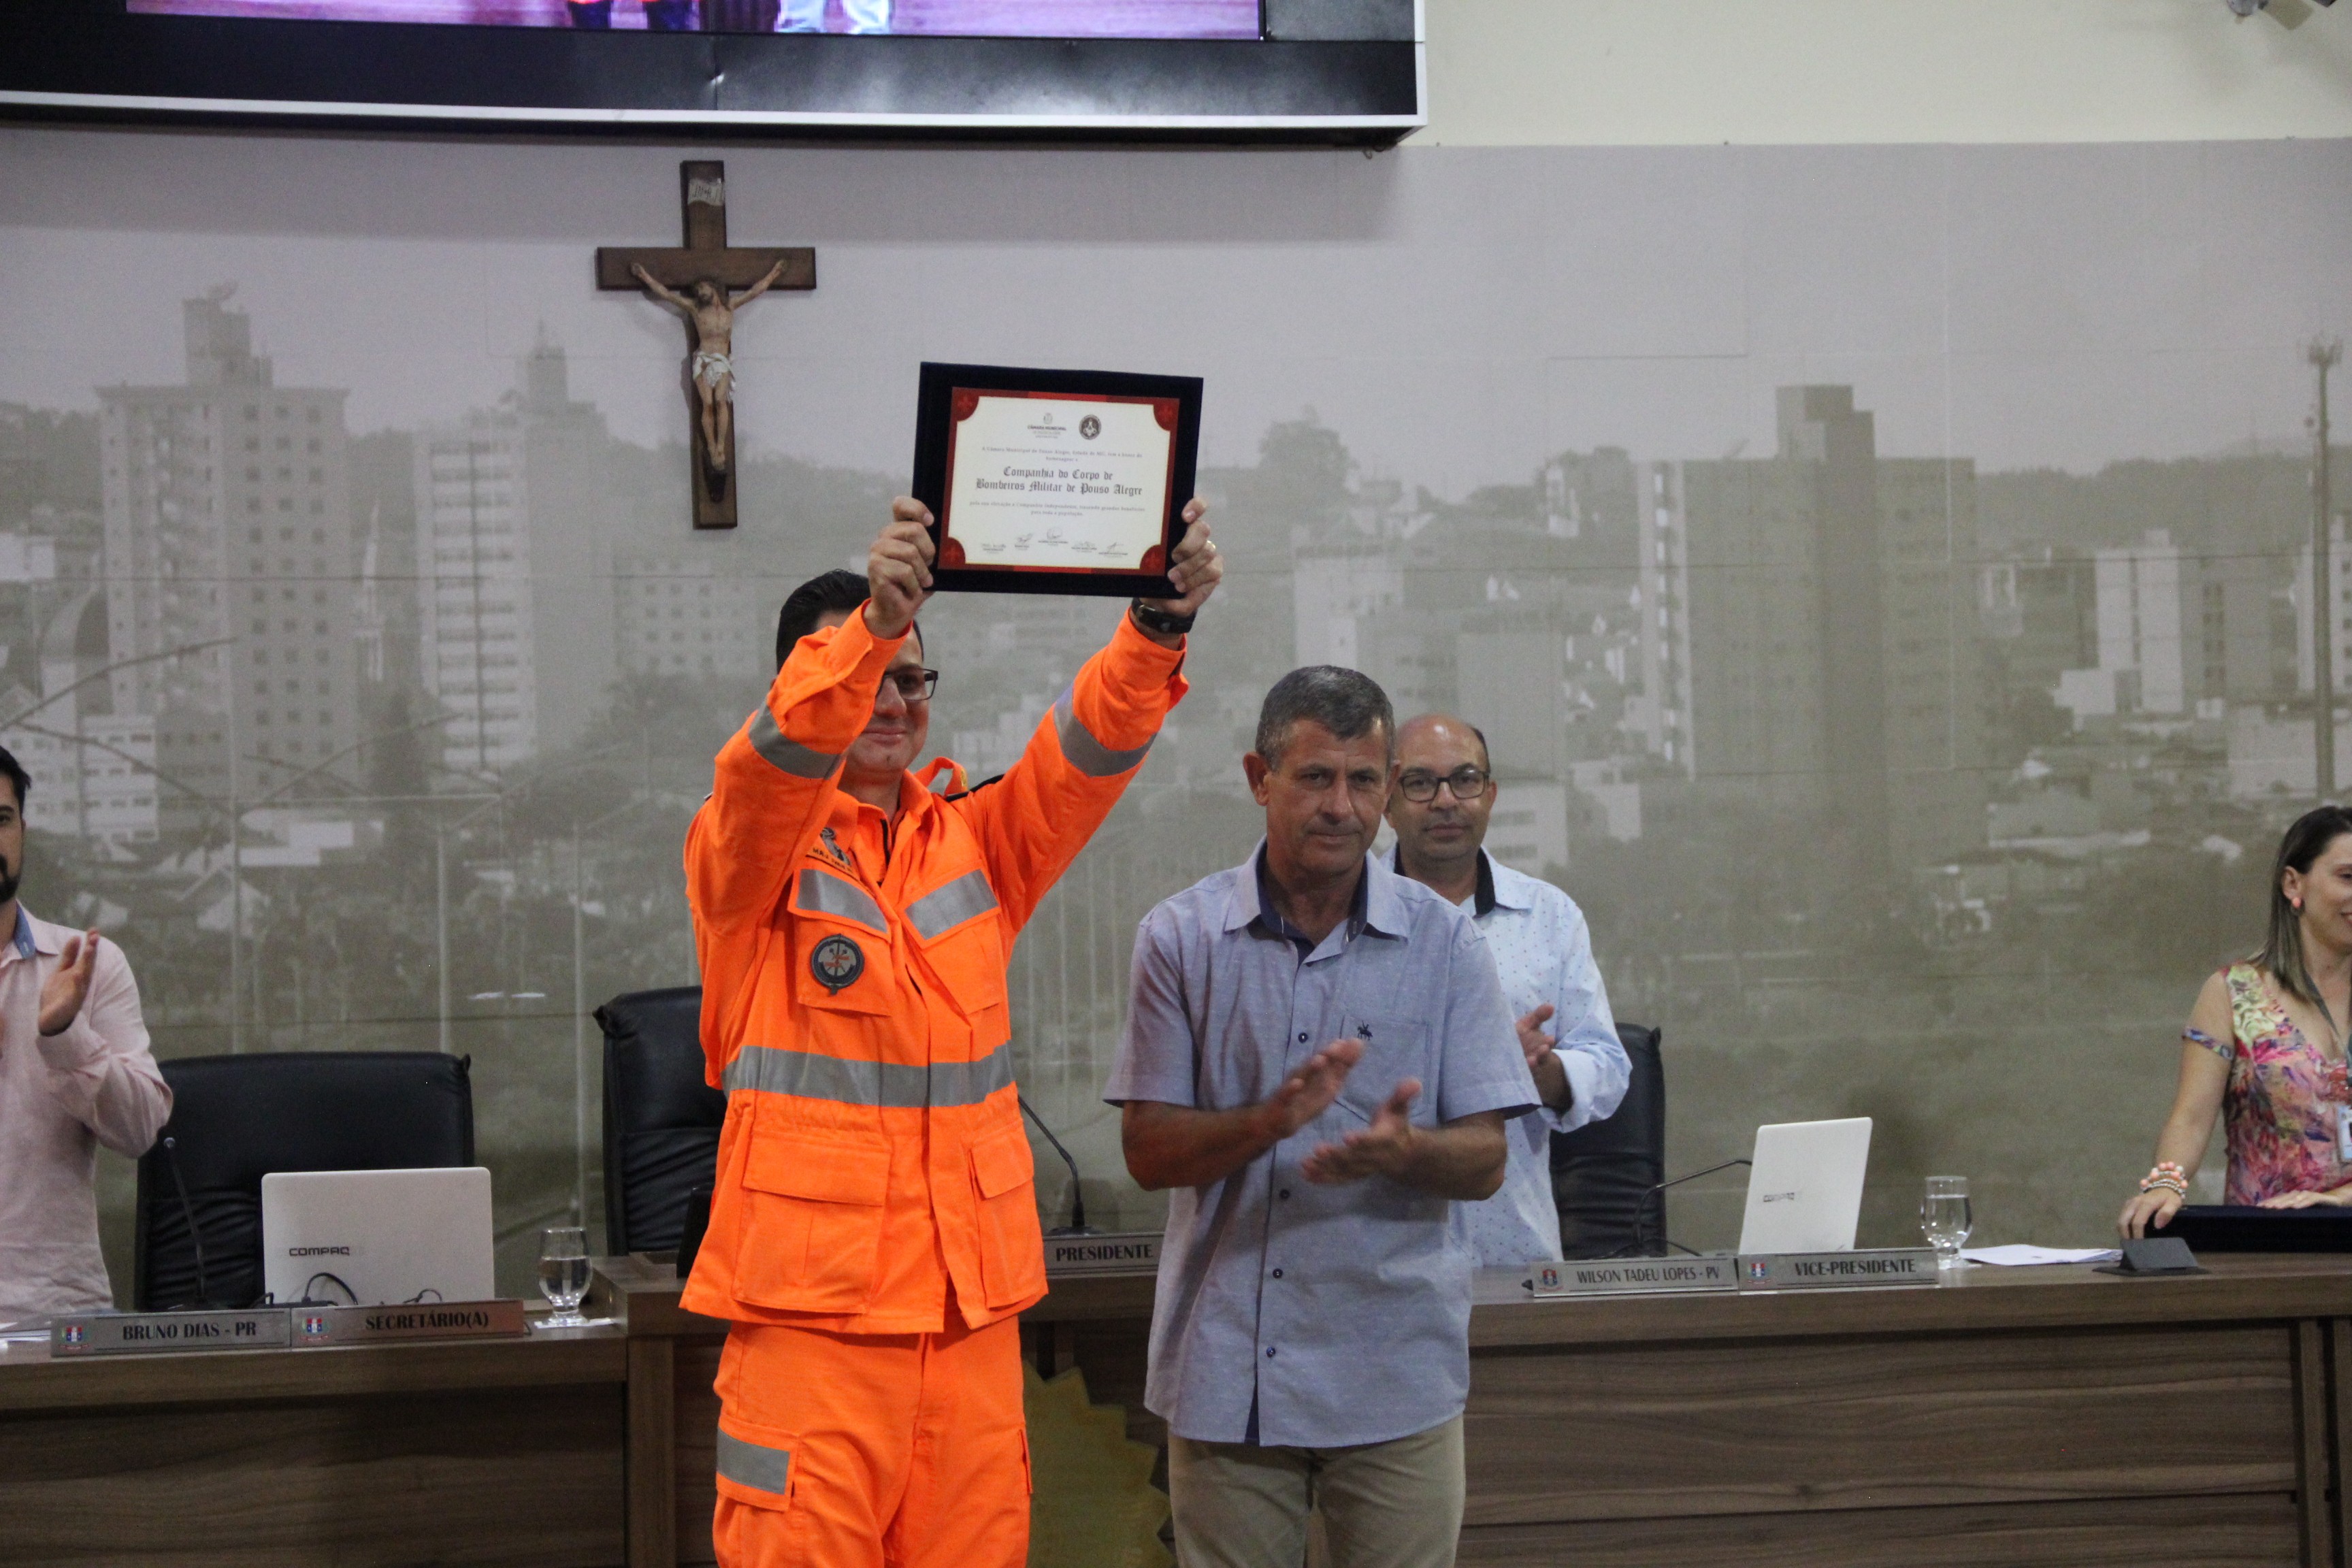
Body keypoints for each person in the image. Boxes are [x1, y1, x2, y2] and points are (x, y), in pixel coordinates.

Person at [682, 495, 1220, 1568]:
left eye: (912, 680)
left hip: (969, 1325)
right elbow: (768, 766)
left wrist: (1155, 629)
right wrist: (873, 627)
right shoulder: (750, 855)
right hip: (812, 1332)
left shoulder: (972, 843)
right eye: (869, 678)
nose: (892, 701)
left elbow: (1084, 753)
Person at [1105, 667, 1537, 1568]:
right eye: (1314, 778)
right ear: (1261, 781)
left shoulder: (1445, 940)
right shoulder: (1180, 938)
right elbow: (1148, 1152)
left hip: (1395, 1375)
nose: (1342, 806)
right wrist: (1267, 1122)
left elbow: (1488, 1158)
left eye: (1364, 780)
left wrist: (1402, 1152)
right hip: (1228, 1374)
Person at [1384, 713, 1629, 1265]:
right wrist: (1480, 1066)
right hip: (1382, 1269)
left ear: (1490, 795)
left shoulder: (1549, 915)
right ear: (1386, 800)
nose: (1446, 800)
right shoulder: (1345, 919)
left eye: (1465, 780)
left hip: (1514, 1255)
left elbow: (1608, 1066)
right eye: (1421, 783)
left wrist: (1542, 1075)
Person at [2121, 804, 2352, 1239]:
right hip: (2268, 1251)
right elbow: (2190, 1119)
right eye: (2348, 877)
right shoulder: (2233, 993)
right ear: (2292, 883)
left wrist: (2339, 1200)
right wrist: (2166, 1185)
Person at [0, 745, 169, 1322]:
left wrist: (65, 1033)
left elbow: (142, 1129)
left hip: (53, 1313)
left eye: (0, 820)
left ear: (22, 829)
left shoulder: (83, 965)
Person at [629, 259, 790, 477]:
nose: (699, 293)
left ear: (713, 288)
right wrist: (644, 276)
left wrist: (775, 273)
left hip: (722, 361)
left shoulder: (729, 307)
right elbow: (667, 295)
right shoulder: (695, 309)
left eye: (702, 288)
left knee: (720, 400)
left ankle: (721, 447)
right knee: (707, 404)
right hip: (704, 360)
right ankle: (712, 447)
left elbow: (755, 292)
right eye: (697, 290)